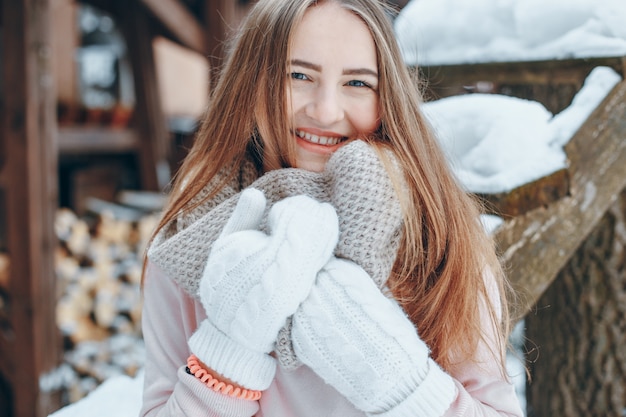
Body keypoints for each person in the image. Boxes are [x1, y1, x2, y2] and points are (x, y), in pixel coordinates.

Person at [140, 0, 525, 416]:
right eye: (299, 75)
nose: (325, 111)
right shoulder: (189, 242)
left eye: (358, 84)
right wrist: (227, 354)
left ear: (387, 98)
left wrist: (401, 383)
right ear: (250, 84)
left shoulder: (437, 232)